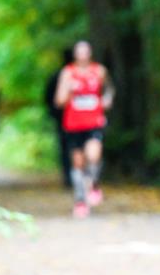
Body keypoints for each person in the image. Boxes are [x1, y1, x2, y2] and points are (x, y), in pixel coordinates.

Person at [53, 40, 114, 218]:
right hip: (73, 123)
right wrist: (69, 90)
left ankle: (93, 184)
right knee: (78, 163)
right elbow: (59, 101)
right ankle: (80, 200)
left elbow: (109, 89)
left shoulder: (99, 71)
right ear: (75, 54)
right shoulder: (68, 73)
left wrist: (107, 99)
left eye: (85, 51)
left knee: (94, 155)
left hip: (94, 121)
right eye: (79, 51)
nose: (82, 55)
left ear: (90, 53)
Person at [45, 47, 76, 188]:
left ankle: (70, 177)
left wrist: (53, 113)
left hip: (65, 118)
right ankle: (71, 177)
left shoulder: (57, 75)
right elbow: (50, 98)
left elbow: (47, 98)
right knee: (70, 147)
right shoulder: (61, 76)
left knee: (66, 148)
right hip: (63, 118)